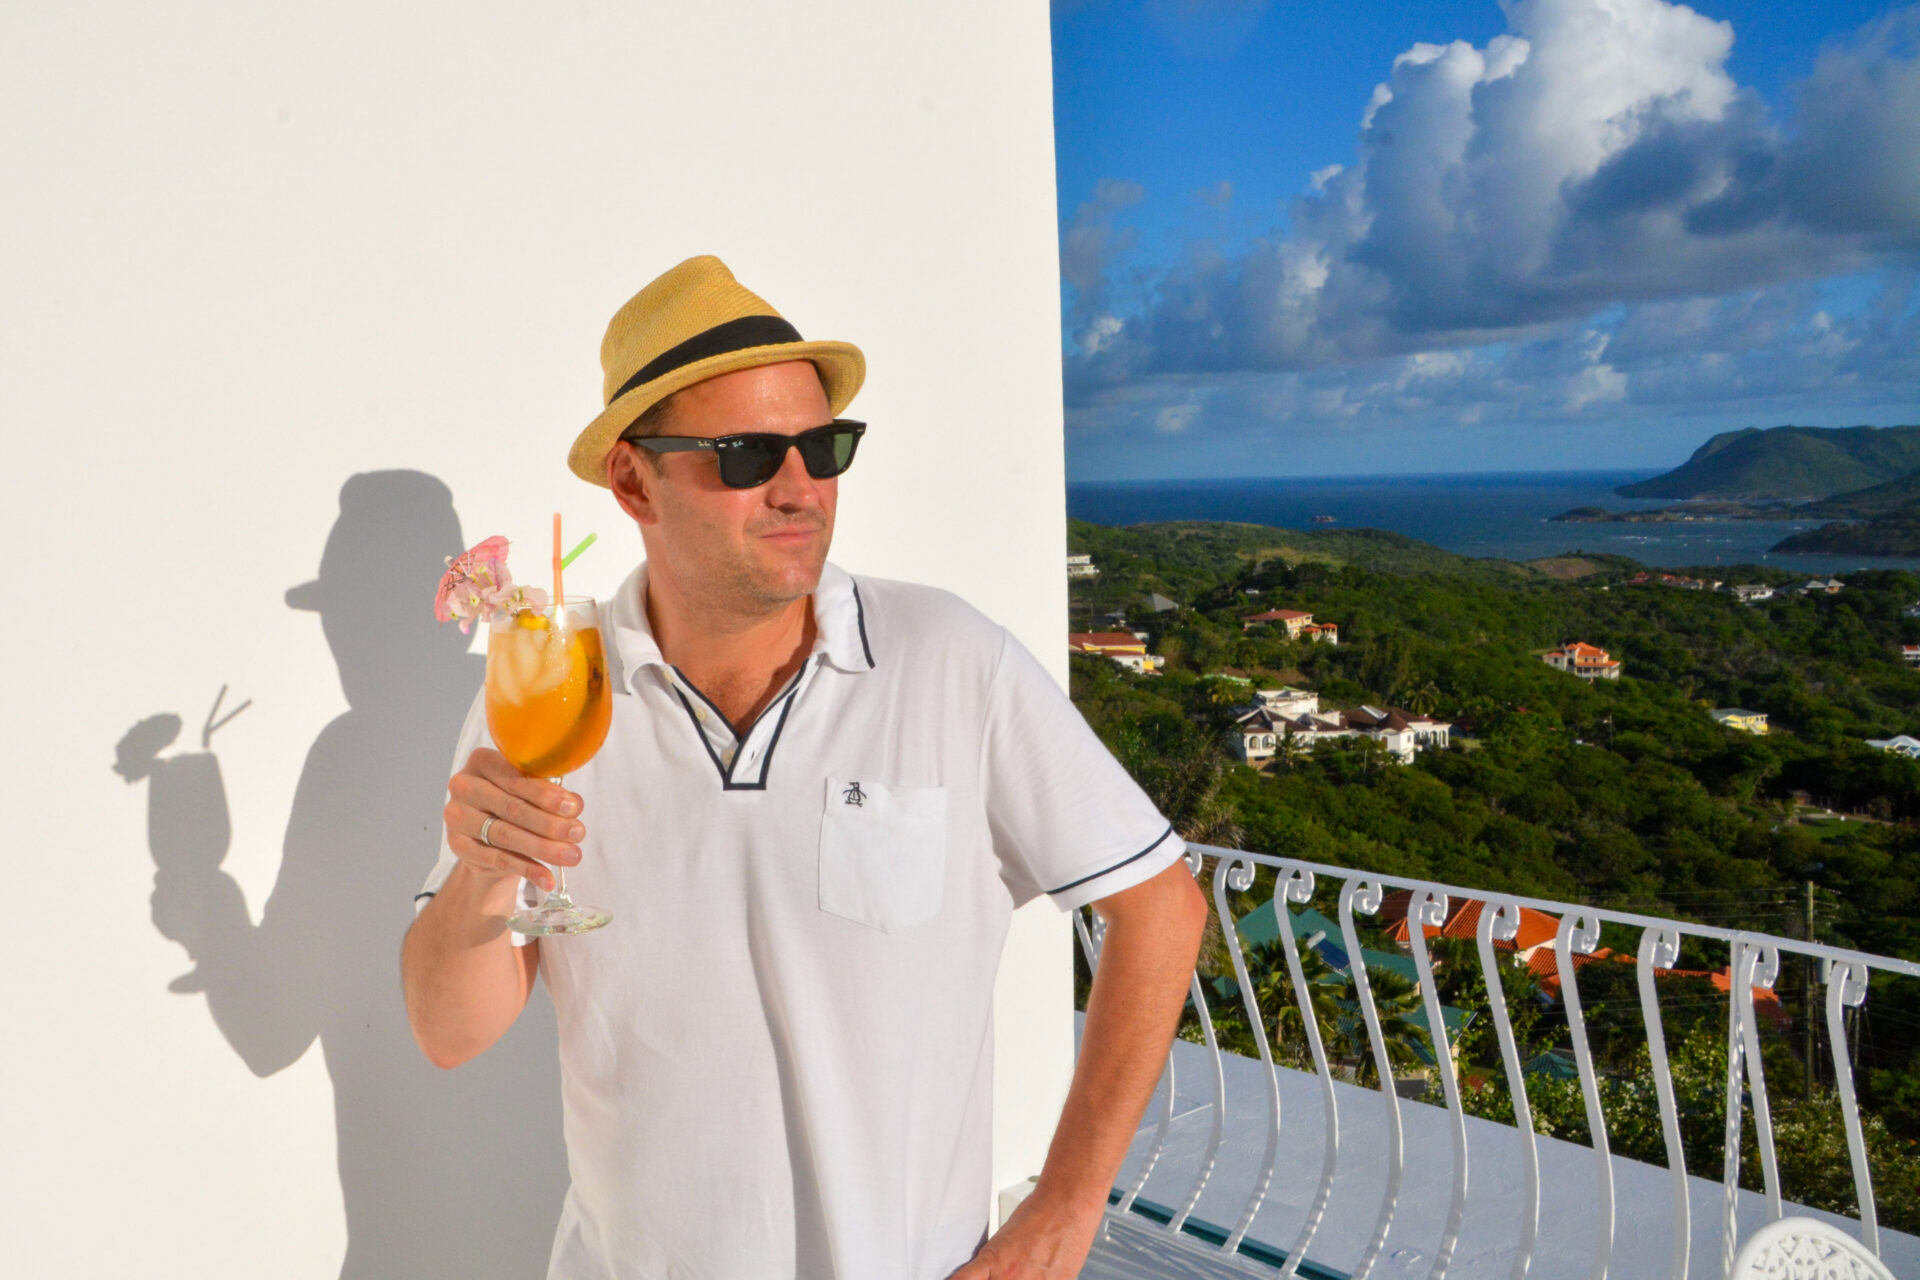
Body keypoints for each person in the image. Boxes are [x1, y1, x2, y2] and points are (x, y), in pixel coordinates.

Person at [401, 255, 1207, 1280]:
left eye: (822, 446)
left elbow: (1162, 906)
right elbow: (447, 1031)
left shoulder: (950, 658)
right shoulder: (557, 686)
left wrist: (1065, 1206)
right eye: (745, 453)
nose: (799, 486)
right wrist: (480, 874)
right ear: (632, 478)